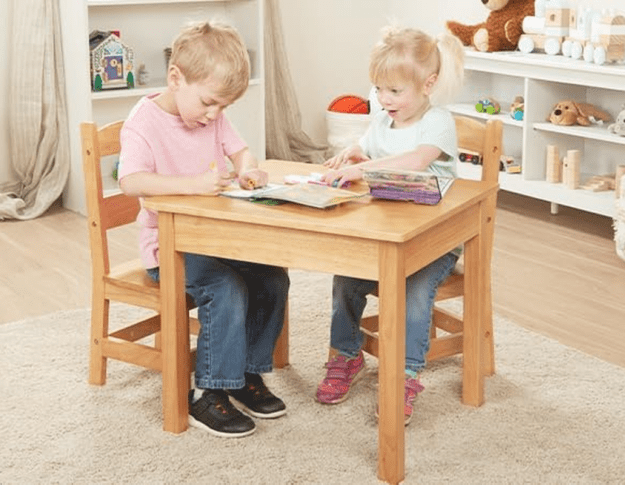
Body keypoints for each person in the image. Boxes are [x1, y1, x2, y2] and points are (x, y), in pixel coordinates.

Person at [118, 21, 289, 438]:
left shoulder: (211, 118)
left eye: (223, 108)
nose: (214, 115)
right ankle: (209, 392)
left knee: (271, 276)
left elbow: (241, 151)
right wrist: (191, 186)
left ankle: (246, 373)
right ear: (176, 78)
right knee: (225, 287)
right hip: (168, 248)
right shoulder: (143, 122)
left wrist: (249, 171)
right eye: (210, 103)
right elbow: (131, 181)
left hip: (216, 238)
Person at [316, 26, 465, 425]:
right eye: (379, 88)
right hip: (384, 234)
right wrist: (354, 150)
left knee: (413, 292)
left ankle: (405, 375)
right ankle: (345, 355)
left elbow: (415, 161)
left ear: (428, 84)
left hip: (434, 243)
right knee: (346, 276)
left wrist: (361, 168)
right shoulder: (383, 119)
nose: (384, 99)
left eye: (395, 91)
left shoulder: (438, 122)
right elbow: (369, 142)